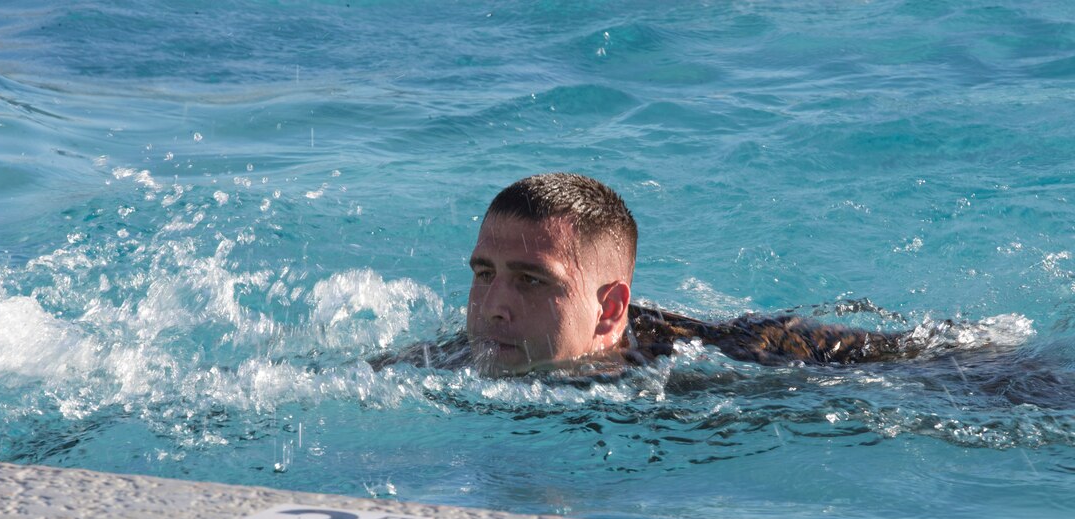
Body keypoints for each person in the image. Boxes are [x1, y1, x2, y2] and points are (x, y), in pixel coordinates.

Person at [376, 172, 920, 377]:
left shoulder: (695, 376)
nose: (492, 306)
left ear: (609, 308)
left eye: (533, 279)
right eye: (483, 272)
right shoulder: (443, 360)